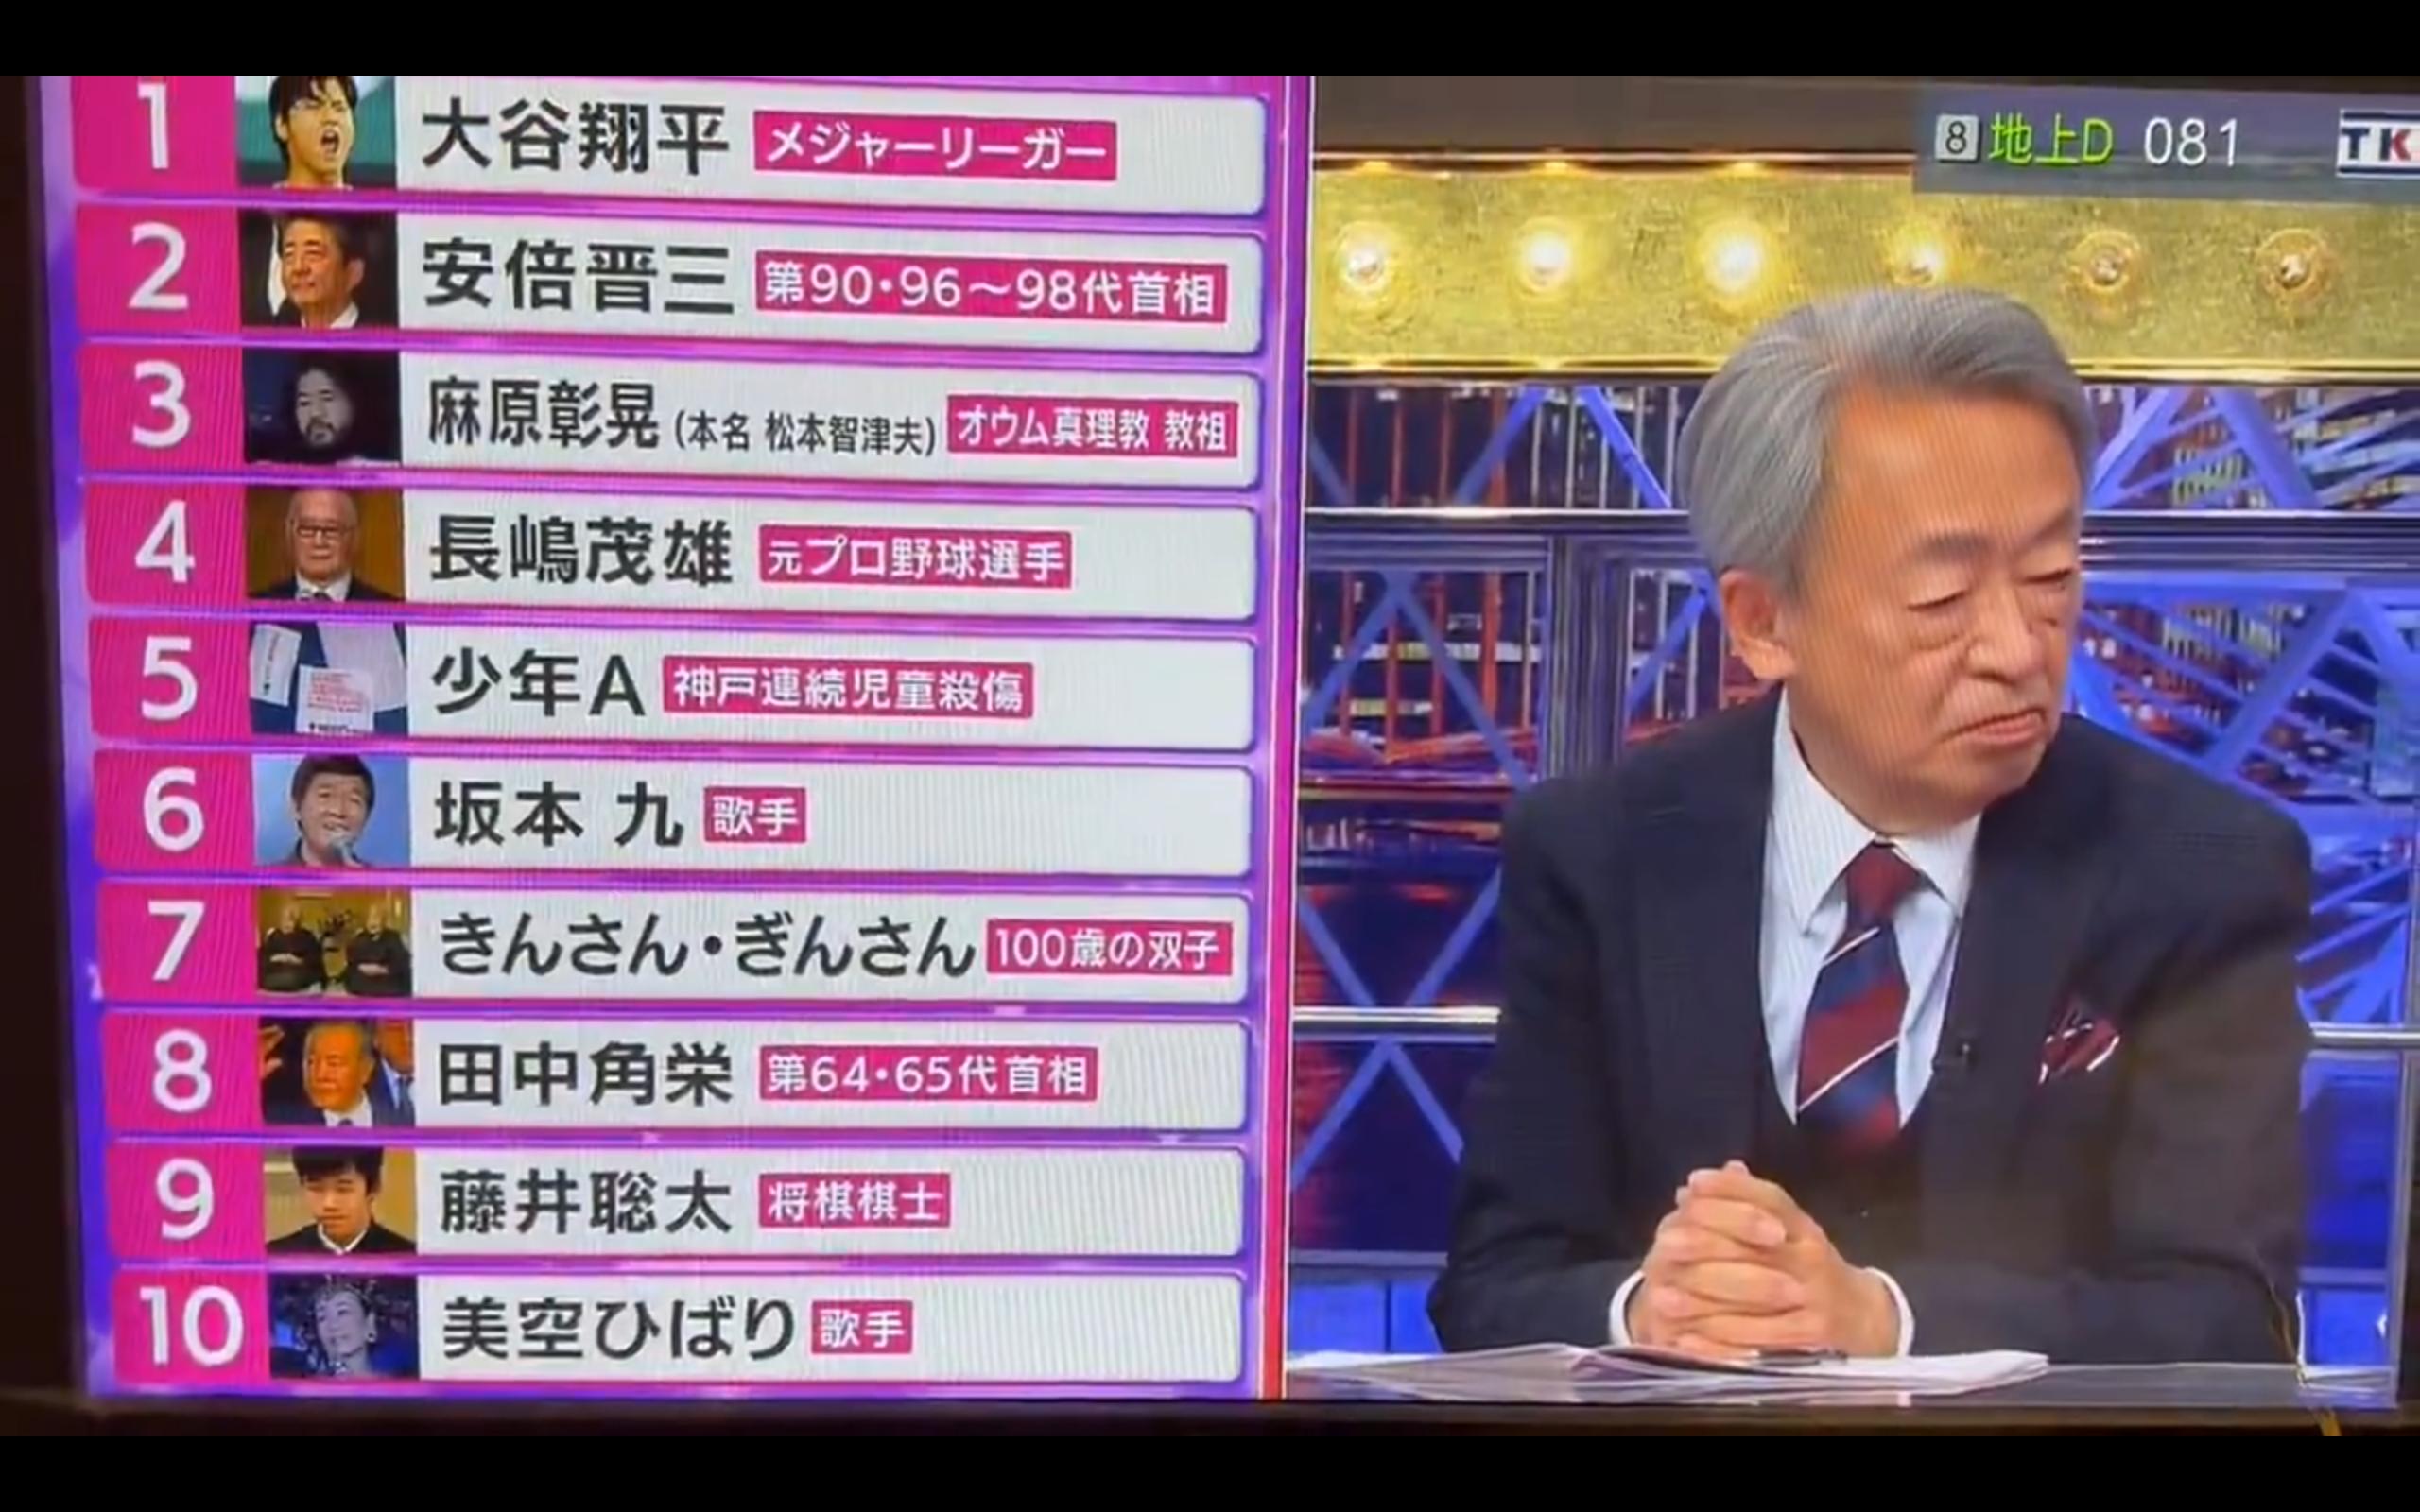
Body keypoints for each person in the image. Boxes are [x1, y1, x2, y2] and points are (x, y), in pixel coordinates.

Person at [1431, 288, 2312, 1366]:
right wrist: (1646, 1310)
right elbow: (1491, 1288)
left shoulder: (2204, 869)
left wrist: (1884, 1320)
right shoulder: (1598, 852)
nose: (2018, 648)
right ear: (1764, 622)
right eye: (1941, 601)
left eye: (2051, 578)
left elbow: (2232, 1318)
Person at [262, 1018, 415, 1128]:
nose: (319, 1075)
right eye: (311, 1062)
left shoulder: (401, 1119)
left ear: (366, 1069)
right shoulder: (279, 1122)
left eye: (334, 1063)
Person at [254, 487, 395, 603]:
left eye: (331, 530)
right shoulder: (256, 609)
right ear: (289, 533)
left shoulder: (389, 612)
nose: (319, 542)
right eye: (307, 529)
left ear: (354, 537)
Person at [268, 1148, 414, 1256]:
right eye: (316, 1188)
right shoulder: (277, 1257)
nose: (329, 1204)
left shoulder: (407, 1259)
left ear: (374, 1187)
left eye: (343, 1189)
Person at [278, 754, 376, 868]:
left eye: (353, 800)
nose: (338, 811)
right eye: (325, 795)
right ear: (296, 808)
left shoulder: (381, 880)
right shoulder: (267, 879)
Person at [273, 214, 367, 330]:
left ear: (353, 272)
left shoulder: (380, 336)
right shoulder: (272, 334)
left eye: (313, 253)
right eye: (289, 255)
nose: (298, 267)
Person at [269, 76, 359, 192]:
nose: (331, 118)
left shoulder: (374, 203)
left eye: (339, 108)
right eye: (313, 107)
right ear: (282, 125)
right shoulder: (256, 203)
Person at [343, 908, 412, 998]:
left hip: (387, 979)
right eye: (370, 919)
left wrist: (383, 970)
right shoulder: (359, 938)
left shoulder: (393, 937)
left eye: (376, 918)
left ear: (383, 921)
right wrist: (362, 967)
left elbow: (401, 960)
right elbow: (352, 960)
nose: (373, 923)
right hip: (364, 980)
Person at [257, 905, 325, 994]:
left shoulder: (307, 936)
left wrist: (297, 960)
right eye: (283, 919)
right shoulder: (274, 935)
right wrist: (275, 958)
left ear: (297, 922)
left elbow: (315, 959)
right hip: (275, 971)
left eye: (290, 919)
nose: (286, 923)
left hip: (296, 972)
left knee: (293, 977)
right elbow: (262, 956)